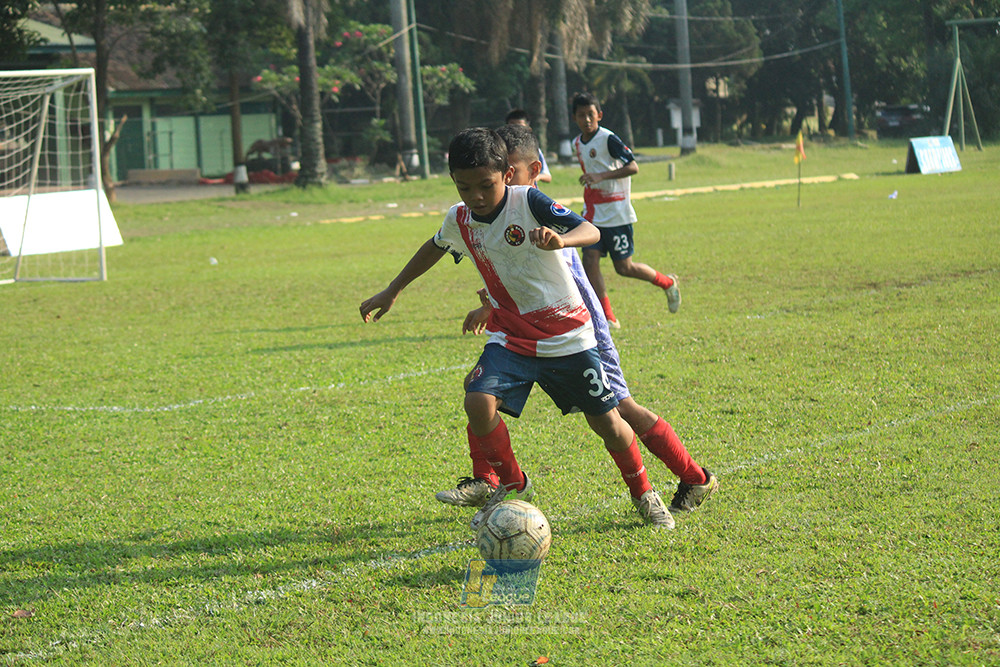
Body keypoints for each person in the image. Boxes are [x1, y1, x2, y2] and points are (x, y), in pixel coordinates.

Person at [360, 127, 674, 529]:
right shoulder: (459, 218)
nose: (474, 196)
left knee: (608, 424)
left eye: (485, 185)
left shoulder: (528, 200)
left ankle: (644, 492)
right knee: (476, 400)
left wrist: (562, 241)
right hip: (513, 337)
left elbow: (590, 230)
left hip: (567, 336)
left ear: (507, 175)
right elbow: (435, 246)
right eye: (463, 186)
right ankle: (513, 484)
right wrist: (393, 290)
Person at [436, 124, 718, 519]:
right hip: (524, 330)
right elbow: (507, 270)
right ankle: (489, 479)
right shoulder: (494, 213)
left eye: (512, 173)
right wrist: (490, 306)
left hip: (579, 334)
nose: (503, 186)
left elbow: (551, 287)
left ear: (529, 172)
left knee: (623, 412)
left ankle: (693, 475)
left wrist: (589, 338)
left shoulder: (545, 224)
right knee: (477, 389)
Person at [572, 92, 680, 329]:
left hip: (617, 213)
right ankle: (607, 317)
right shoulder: (577, 144)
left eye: (591, 114)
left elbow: (633, 166)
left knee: (624, 268)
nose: (587, 120)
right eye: (582, 116)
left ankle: (667, 283)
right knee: (590, 260)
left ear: (599, 115)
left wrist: (602, 175)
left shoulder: (609, 139)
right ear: (575, 118)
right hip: (592, 213)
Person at [504, 109, 552, 184]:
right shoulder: (502, 149)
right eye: (512, 127)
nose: (516, 131)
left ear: (528, 129)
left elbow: (548, 177)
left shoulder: (533, 150)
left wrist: (538, 176)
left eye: (520, 127)